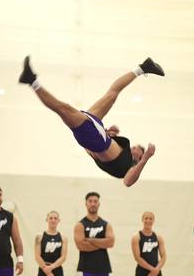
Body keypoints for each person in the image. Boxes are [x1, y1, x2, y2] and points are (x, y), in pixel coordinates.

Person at [19, 56, 165, 186]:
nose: (135, 148)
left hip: (94, 138)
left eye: (138, 149)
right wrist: (111, 133)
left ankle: (32, 82)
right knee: (112, 95)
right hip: (96, 134)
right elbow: (108, 147)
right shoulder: (123, 154)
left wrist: (146, 158)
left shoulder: (131, 167)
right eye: (136, 146)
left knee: (62, 108)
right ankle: (143, 68)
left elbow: (127, 182)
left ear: (139, 157)